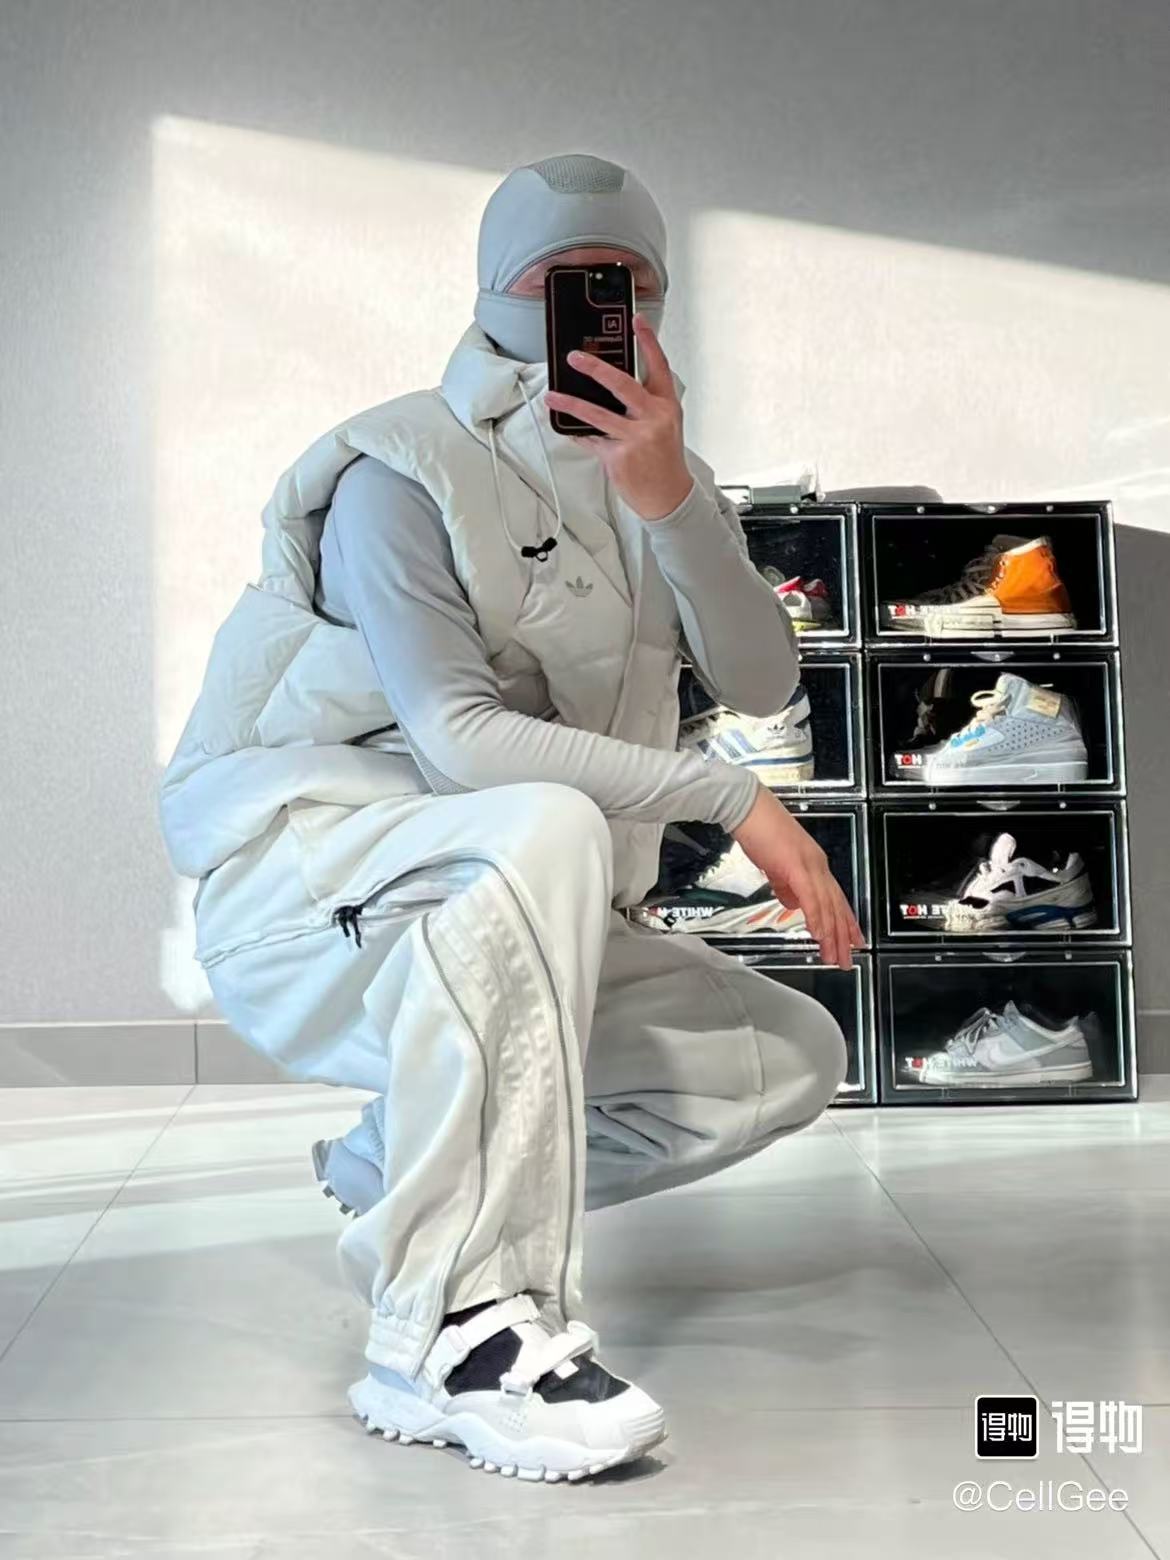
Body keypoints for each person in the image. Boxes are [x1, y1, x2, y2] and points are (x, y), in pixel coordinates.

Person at [158, 152, 862, 1485]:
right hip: (315, 887)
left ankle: (400, 1163)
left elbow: (765, 678)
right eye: (560, 282)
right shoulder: (396, 469)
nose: (596, 307)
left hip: (515, 901)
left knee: (777, 1055)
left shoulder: (665, 476)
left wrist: (669, 498)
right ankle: (451, 1331)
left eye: (627, 282)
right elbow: (459, 740)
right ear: (494, 292)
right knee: (541, 819)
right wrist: (730, 796)